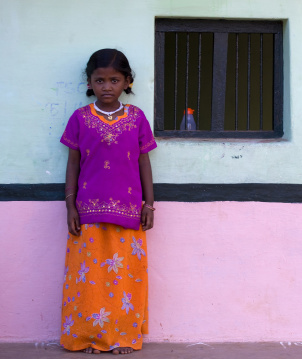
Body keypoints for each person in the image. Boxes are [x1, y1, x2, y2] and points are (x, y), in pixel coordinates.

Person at [60, 49, 157, 355]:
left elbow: (144, 162)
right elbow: (73, 163)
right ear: (89, 82)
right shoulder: (80, 118)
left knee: (125, 279)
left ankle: (122, 337)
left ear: (127, 82)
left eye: (114, 80)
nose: (106, 86)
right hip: (88, 211)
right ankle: (87, 336)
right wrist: (70, 205)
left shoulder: (137, 117)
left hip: (129, 211)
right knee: (89, 279)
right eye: (99, 80)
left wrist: (149, 204)